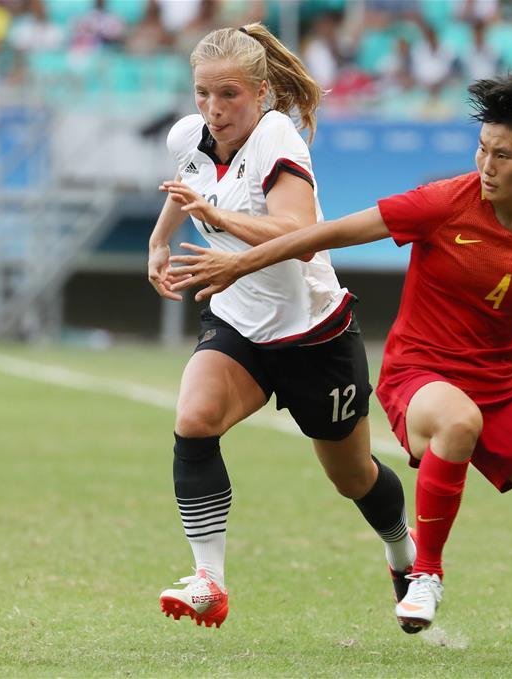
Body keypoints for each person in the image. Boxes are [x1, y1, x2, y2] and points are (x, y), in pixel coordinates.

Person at [167, 72, 512, 668]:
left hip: (503, 386)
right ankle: (426, 575)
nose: (486, 166)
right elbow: (328, 232)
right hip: (418, 375)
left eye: (503, 155)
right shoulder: (446, 201)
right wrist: (241, 264)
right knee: (456, 420)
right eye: (481, 149)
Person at [147, 23, 415, 630]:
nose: (214, 111)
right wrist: (160, 241)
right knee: (193, 420)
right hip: (239, 323)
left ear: (262, 92)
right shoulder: (190, 136)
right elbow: (187, 180)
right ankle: (208, 580)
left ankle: (404, 551)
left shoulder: (278, 139)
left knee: (352, 477)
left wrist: (216, 217)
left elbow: (295, 234)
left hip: (312, 334)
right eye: (203, 94)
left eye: (229, 95)